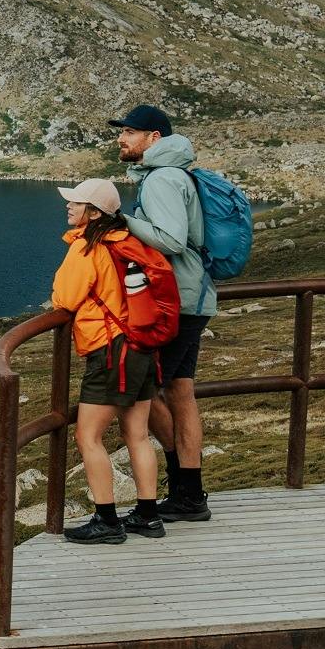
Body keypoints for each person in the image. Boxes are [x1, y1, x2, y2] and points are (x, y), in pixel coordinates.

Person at [109, 105, 215, 522]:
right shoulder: (174, 173)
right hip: (192, 298)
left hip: (175, 303)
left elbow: (170, 240)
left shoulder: (162, 179)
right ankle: (190, 494)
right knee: (180, 392)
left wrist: (122, 221)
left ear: (154, 138)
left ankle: (177, 490)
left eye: (129, 132)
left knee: (142, 390)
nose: (121, 139)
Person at [48, 177, 167, 544]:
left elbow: (65, 299)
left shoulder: (87, 246)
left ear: (95, 213)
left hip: (111, 350)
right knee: (137, 434)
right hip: (141, 346)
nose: (69, 206)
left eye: (76, 202)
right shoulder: (126, 240)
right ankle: (148, 516)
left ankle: (107, 520)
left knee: (88, 436)